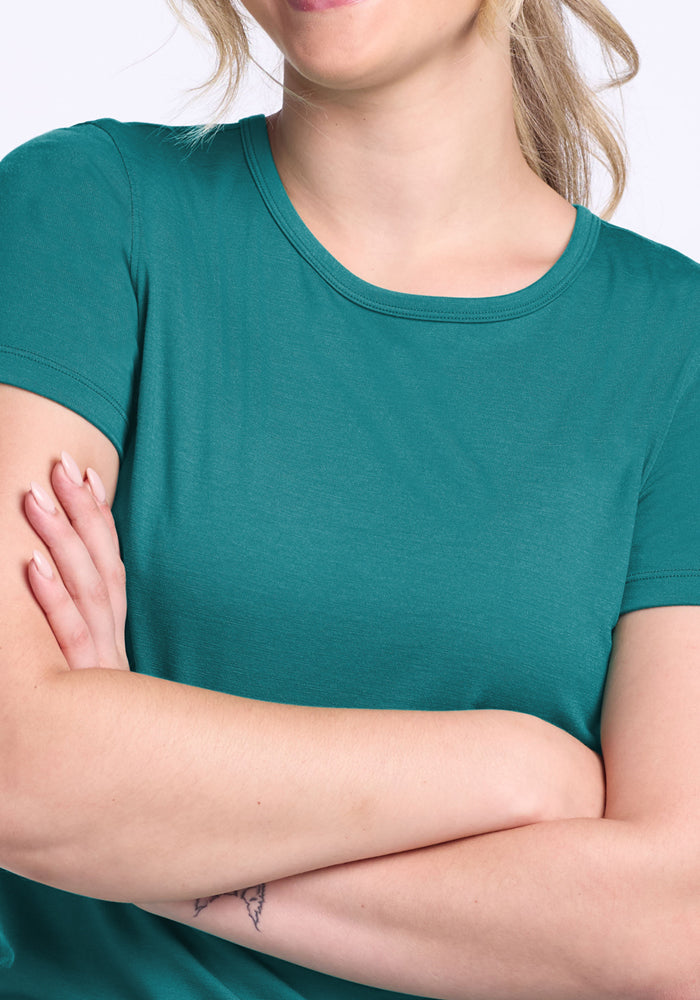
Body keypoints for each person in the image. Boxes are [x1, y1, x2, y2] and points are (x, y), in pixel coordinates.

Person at [1, 0, 699, 996]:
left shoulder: (674, 347)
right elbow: (16, 762)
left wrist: (154, 860)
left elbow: (670, 924)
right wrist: (504, 768)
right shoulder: (82, 210)